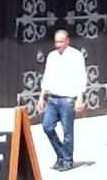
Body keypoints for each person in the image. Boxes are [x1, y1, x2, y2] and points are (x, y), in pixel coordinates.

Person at [36, 29, 87, 171]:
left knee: (67, 132)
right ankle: (61, 154)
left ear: (67, 41)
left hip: (67, 99)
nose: (58, 44)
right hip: (52, 98)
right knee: (47, 127)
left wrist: (80, 98)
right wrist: (41, 97)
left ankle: (67, 160)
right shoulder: (52, 56)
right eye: (56, 42)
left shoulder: (76, 55)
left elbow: (81, 76)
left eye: (61, 42)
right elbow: (47, 76)